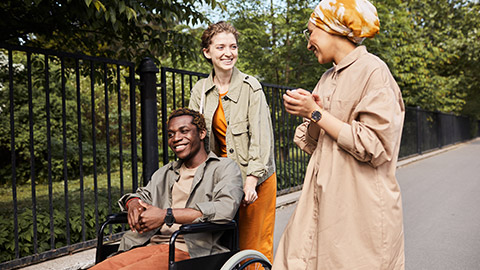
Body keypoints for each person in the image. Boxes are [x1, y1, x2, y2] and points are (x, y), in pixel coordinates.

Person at [273, 0, 405, 269]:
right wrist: (310, 113)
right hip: (319, 203)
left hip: (358, 211)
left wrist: (317, 113)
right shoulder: (327, 77)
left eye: (310, 32)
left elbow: (374, 145)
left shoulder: (373, 71)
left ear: (331, 28)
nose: (308, 43)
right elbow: (313, 144)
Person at [91, 108, 244, 270]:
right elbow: (141, 195)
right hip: (149, 245)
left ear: (202, 133)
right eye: (170, 134)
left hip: (191, 252)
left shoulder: (224, 168)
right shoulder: (165, 172)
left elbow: (225, 208)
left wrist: (166, 215)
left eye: (184, 131)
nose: (176, 138)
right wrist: (133, 203)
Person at [188, 21, 277, 263]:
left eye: (233, 46)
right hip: (222, 179)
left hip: (255, 176)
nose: (228, 53)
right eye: (220, 47)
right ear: (207, 52)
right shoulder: (200, 91)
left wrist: (251, 180)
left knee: (253, 246)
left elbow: (261, 137)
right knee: (218, 244)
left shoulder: (251, 87)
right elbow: (194, 140)